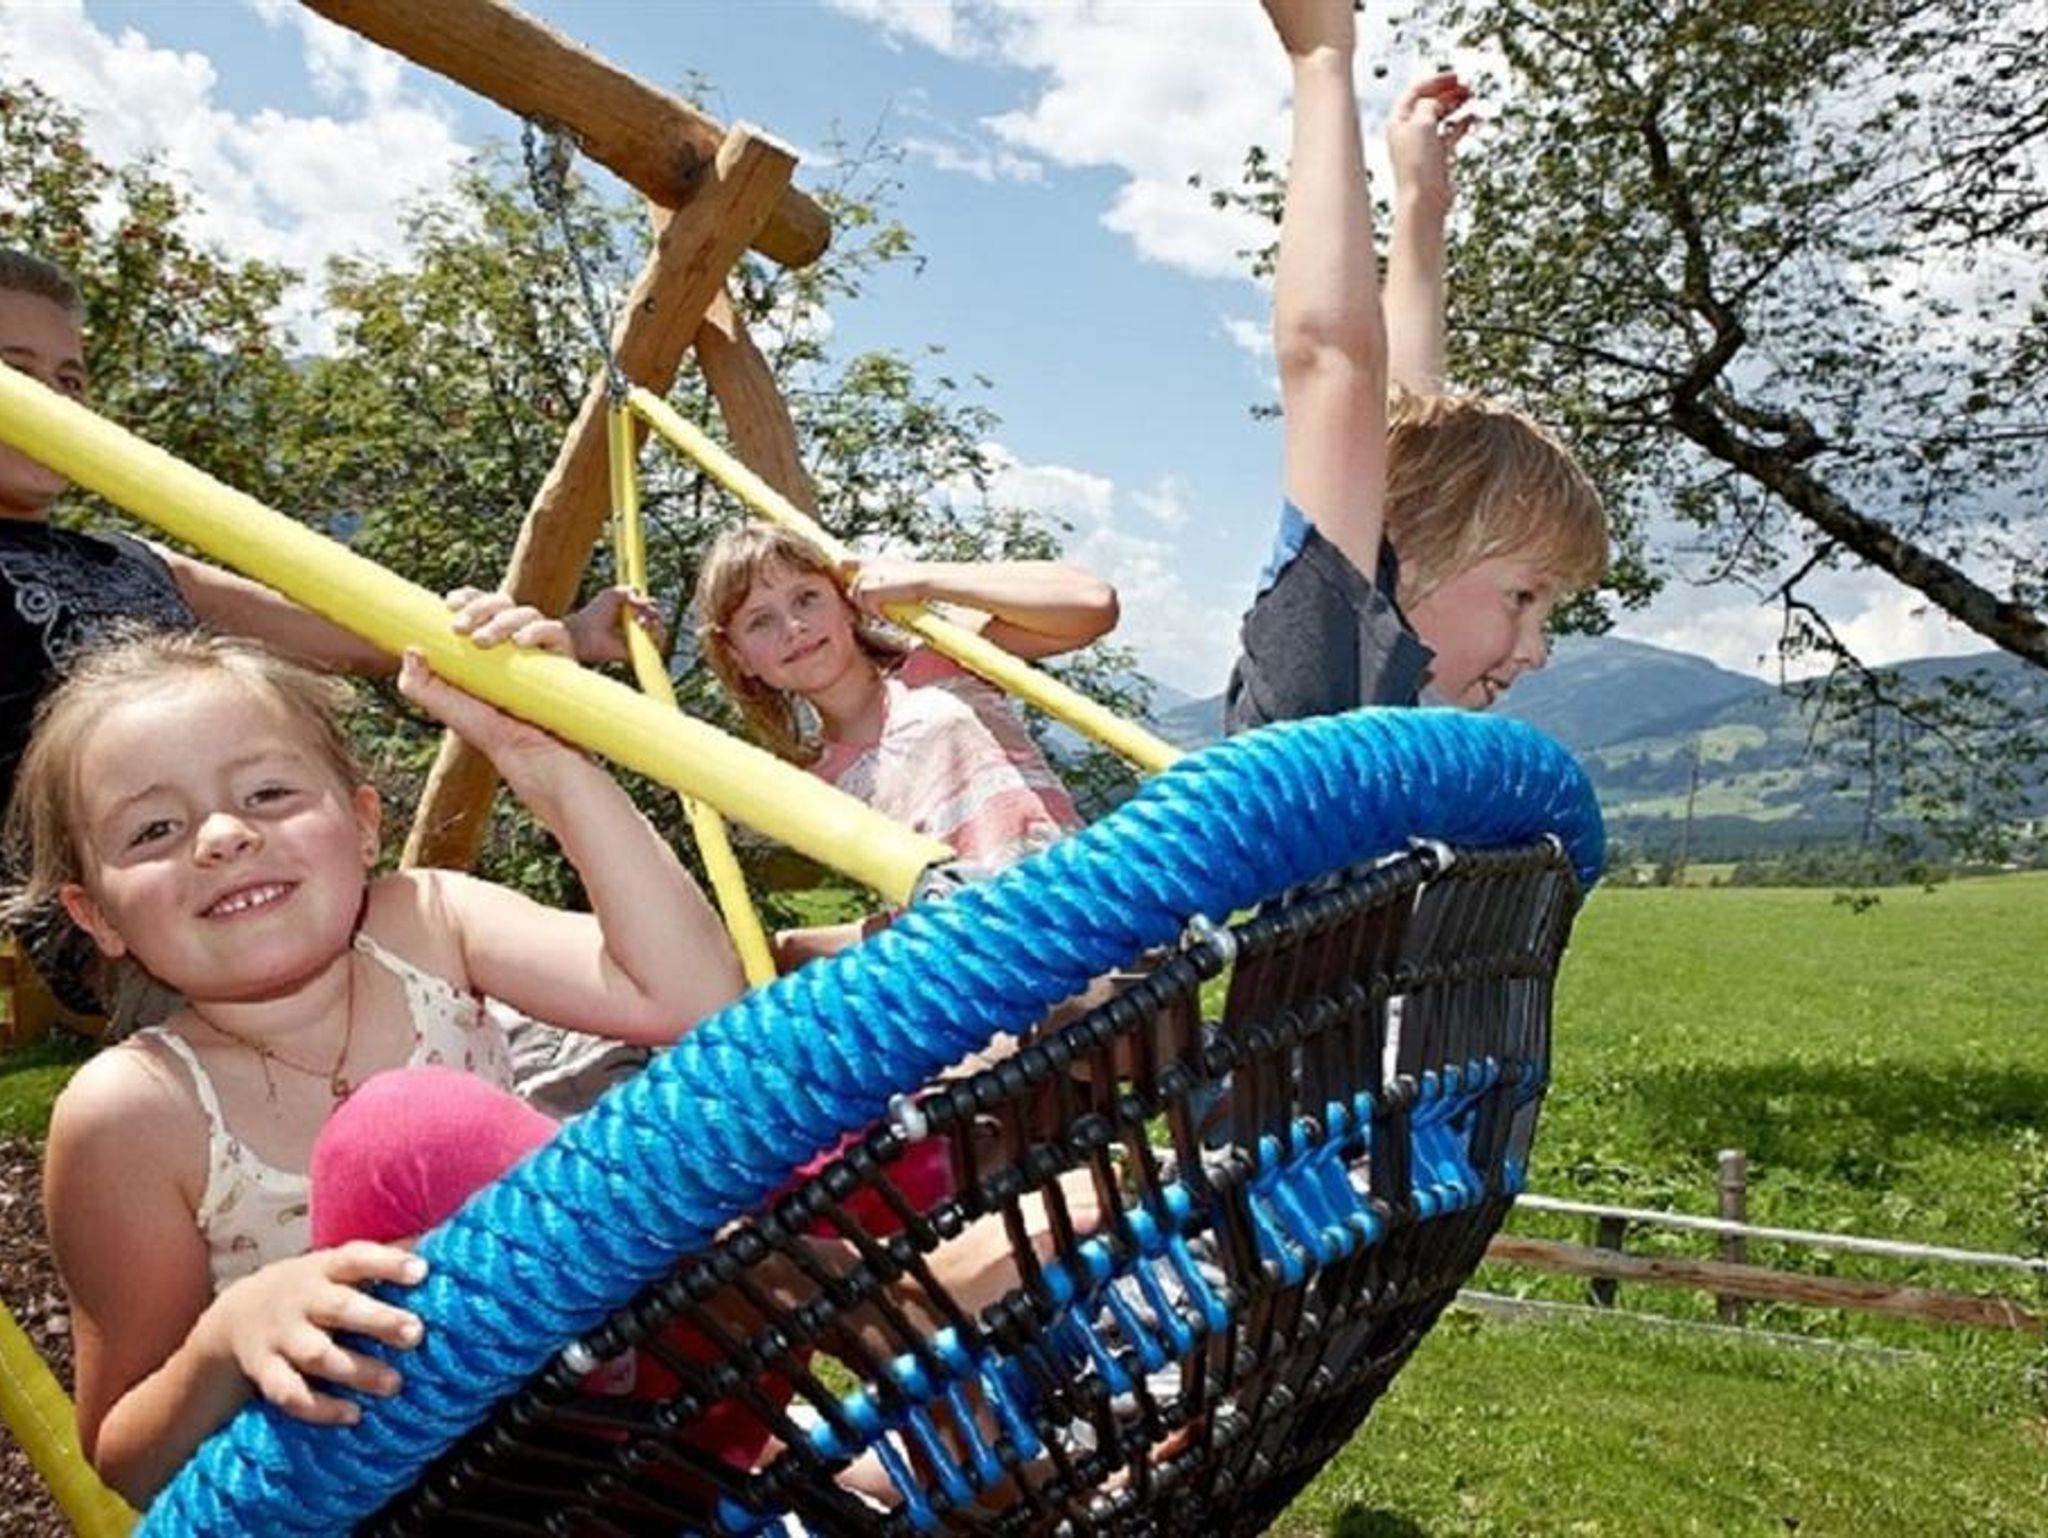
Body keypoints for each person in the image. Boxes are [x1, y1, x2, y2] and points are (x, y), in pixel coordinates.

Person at [2, 632, 746, 1503]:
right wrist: (228, 1337)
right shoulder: (135, 1111)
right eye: (154, 830)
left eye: (268, 793)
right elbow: (128, 1458)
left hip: (655, 1398)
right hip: (427, 1494)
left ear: (362, 824)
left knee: (760, 1087)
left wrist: (541, 757)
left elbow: (693, 999)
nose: (225, 837)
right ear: (96, 915)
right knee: (411, 1131)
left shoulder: (431, 925)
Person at [0, 248, 656, 1034]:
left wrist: (564, 635)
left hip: (278, 872)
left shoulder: (133, 560)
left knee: (460, 1006)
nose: (51, 402)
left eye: (70, 381)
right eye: (16, 375)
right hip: (142, 923)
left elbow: (347, 630)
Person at [1224, 0, 1608, 733]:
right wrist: (1322, 59)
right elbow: (1336, 365)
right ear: (1416, 544)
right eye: (1523, 597)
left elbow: (1403, 410)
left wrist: (1421, 207)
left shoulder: (1399, 684)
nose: (1537, 652)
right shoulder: (1329, 671)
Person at [694, 524, 1118, 965]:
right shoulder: (811, 787)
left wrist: (921, 579)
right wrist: (785, 950)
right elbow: (923, 900)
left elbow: (1093, 604)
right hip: (979, 966)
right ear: (739, 657)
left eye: (807, 598)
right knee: (773, 956)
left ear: (846, 604)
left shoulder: (940, 657)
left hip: (1071, 907)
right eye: (760, 621)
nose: (794, 627)